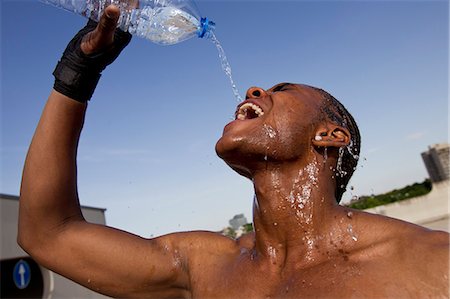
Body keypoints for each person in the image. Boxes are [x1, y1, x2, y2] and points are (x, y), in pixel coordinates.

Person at [18, 5, 449, 299]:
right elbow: (48, 234)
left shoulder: (428, 264)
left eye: (283, 90)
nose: (255, 90)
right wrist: (77, 71)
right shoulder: (205, 266)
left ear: (329, 136)